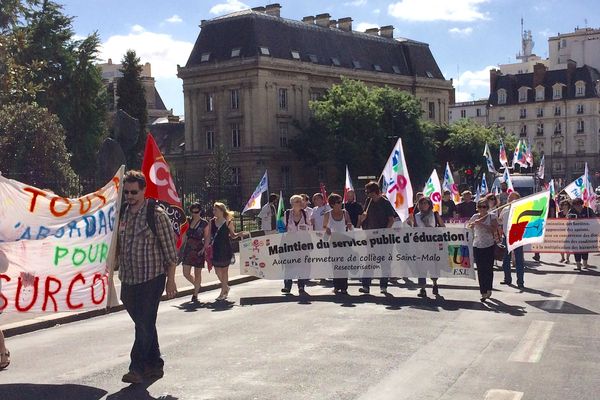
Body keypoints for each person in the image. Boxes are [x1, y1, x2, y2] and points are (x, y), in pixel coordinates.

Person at [117, 170, 178, 384]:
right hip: (128, 279)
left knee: (143, 324)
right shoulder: (122, 213)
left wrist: (171, 280)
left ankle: (137, 368)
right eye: (126, 192)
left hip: (151, 279)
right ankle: (155, 364)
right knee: (146, 324)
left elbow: (171, 252)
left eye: (134, 192)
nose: (130, 196)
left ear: (144, 190)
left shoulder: (157, 214)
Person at [358, 181, 395, 294]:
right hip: (371, 236)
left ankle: (383, 286)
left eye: (368, 191)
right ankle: (366, 286)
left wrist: (384, 233)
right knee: (370, 262)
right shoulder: (368, 201)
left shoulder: (385, 203)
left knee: (384, 262)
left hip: (383, 238)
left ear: (374, 192)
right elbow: (365, 218)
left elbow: (391, 220)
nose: (367, 194)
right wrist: (363, 219)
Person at [210, 202, 248, 300]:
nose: (214, 212)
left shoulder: (228, 222)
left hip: (225, 248)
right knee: (217, 271)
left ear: (222, 211)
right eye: (213, 210)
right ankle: (225, 286)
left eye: (216, 210)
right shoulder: (211, 222)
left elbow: (233, 235)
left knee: (224, 271)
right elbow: (209, 235)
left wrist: (239, 234)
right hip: (215, 249)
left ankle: (223, 292)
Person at [467, 199, 499, 302]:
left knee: (488, 269)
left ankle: (489, 288)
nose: (482, 209)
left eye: (484, 207)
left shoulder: (491, 216)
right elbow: (469, 227)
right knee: (480, 269)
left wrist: (481, 224)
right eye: (480, 206)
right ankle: (483, 291)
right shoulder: (475, 217)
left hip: (489, 245)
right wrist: (471, 225)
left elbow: (494, 229)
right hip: (477, 245)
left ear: (487, 207)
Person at [412, 196, 444, 297]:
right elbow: (414, 229)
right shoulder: (416, 216)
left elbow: (443, 227)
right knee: (421, 266)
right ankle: (422, 288)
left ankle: (434, 283)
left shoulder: (434, 214)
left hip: (432, 243)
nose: (423, 205)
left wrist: (430, 228)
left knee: (433, 265)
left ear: (429, 204)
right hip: (421, 244)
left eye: (425, 203)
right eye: (421, 203)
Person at [323, 193, 353, 294]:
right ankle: (336, 286)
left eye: (341, 202)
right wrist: (326, 229)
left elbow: (349, 224)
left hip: (344, 241)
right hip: (333, 241)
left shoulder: (345, 213)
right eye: (338, 202)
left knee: (344, 264)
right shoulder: (328, 214)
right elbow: (324, 226)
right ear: (332, 204)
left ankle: (344, 287)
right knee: (335, 264)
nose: (341, 204)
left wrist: (349, 225)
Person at [180, 203, 210, 303]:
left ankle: (195, 294)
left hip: (198, 249)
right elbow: (183, 236)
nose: (194, 214)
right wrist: (179, 248)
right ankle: (197, 285)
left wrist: (204, 249)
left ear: (200, 211)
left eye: (196, 212)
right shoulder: (188, 221)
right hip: (188, 249)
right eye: (192, 212)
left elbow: (207, 238)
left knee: (198, 273)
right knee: (185, 273)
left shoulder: (204, 223)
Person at [282, 195, 312, 294]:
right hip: (290, 242)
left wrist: (305, 228)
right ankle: (287, 286)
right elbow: (283, 228)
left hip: (302, 241)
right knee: (289, 264)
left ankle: (301, 286)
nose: (299, 203)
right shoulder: (287, 213)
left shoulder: (305, 213)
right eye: (296, 201)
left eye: (300, 201)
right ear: (292, 204)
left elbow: (310, 227)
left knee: (302, 265)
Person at [499, 192, 525, 288]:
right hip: (506, 237)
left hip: (517, 237)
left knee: (518, 260)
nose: (509, 199)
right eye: (509, 197)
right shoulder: (505, 209)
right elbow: (500, 220)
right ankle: (507, 279)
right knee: (506, 259)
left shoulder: (521, 208)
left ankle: (520, 281)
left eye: (512, 197)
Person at [568, 198, 595, 270]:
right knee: (576, 250)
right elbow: (568, 221)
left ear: (581, 204)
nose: (577, 206)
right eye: (575, 205)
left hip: (586, 234)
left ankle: (585, 264)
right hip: (575, 234)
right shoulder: (571, 211)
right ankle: (578, 265)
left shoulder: (588, 211)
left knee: (585, 249)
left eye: (578, 205)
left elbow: (594, 221)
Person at [557, 199, 571, 264]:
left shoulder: (571, 212)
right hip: (561, 230)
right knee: (561, 245)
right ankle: (562, 257)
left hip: (569, 230)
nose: (565, 206)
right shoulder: (560, 213)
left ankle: (567, 259)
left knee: (567, 245)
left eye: (566, 204)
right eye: (563, 204)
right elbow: (558, 222)